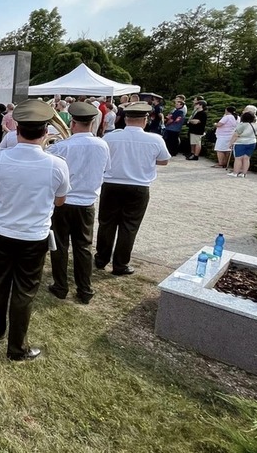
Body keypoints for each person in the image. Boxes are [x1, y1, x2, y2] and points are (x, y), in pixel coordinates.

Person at [0, 100, 70, 361]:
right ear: (45, 132)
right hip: (34, 235)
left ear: (17, 129)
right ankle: (17, 348)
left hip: (2, 231)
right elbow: (60, 201)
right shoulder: (57, 164)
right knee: (25, 290)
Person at [94, 101, 170, 275]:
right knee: (129, 226)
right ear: (145, 120)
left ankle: (101, 259)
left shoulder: (111, 137)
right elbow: (164, 160)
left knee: (106, 224)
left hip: (112, 184)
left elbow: (101, 158)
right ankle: (120, 264)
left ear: (126, 119)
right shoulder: (155, 139)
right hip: (138, 186)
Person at [46, 102, 110, 304]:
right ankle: (85, 289)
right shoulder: (103, 145)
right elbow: (105, 169)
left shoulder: (61, 146)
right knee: (83, 247)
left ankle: (60, 286)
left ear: (72, 123)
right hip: (87, 204)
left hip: (63, 202)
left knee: (60, 245)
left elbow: (48, 171)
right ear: (92, 123)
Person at [228, 110, 257, 178]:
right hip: (252, 142)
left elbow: (236, 135)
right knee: (246, 158)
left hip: (241, 142)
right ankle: (244, 173)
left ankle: (235, 173)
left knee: (238, 158)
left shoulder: (242, 125)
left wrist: (231, 143)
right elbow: (256, 120)